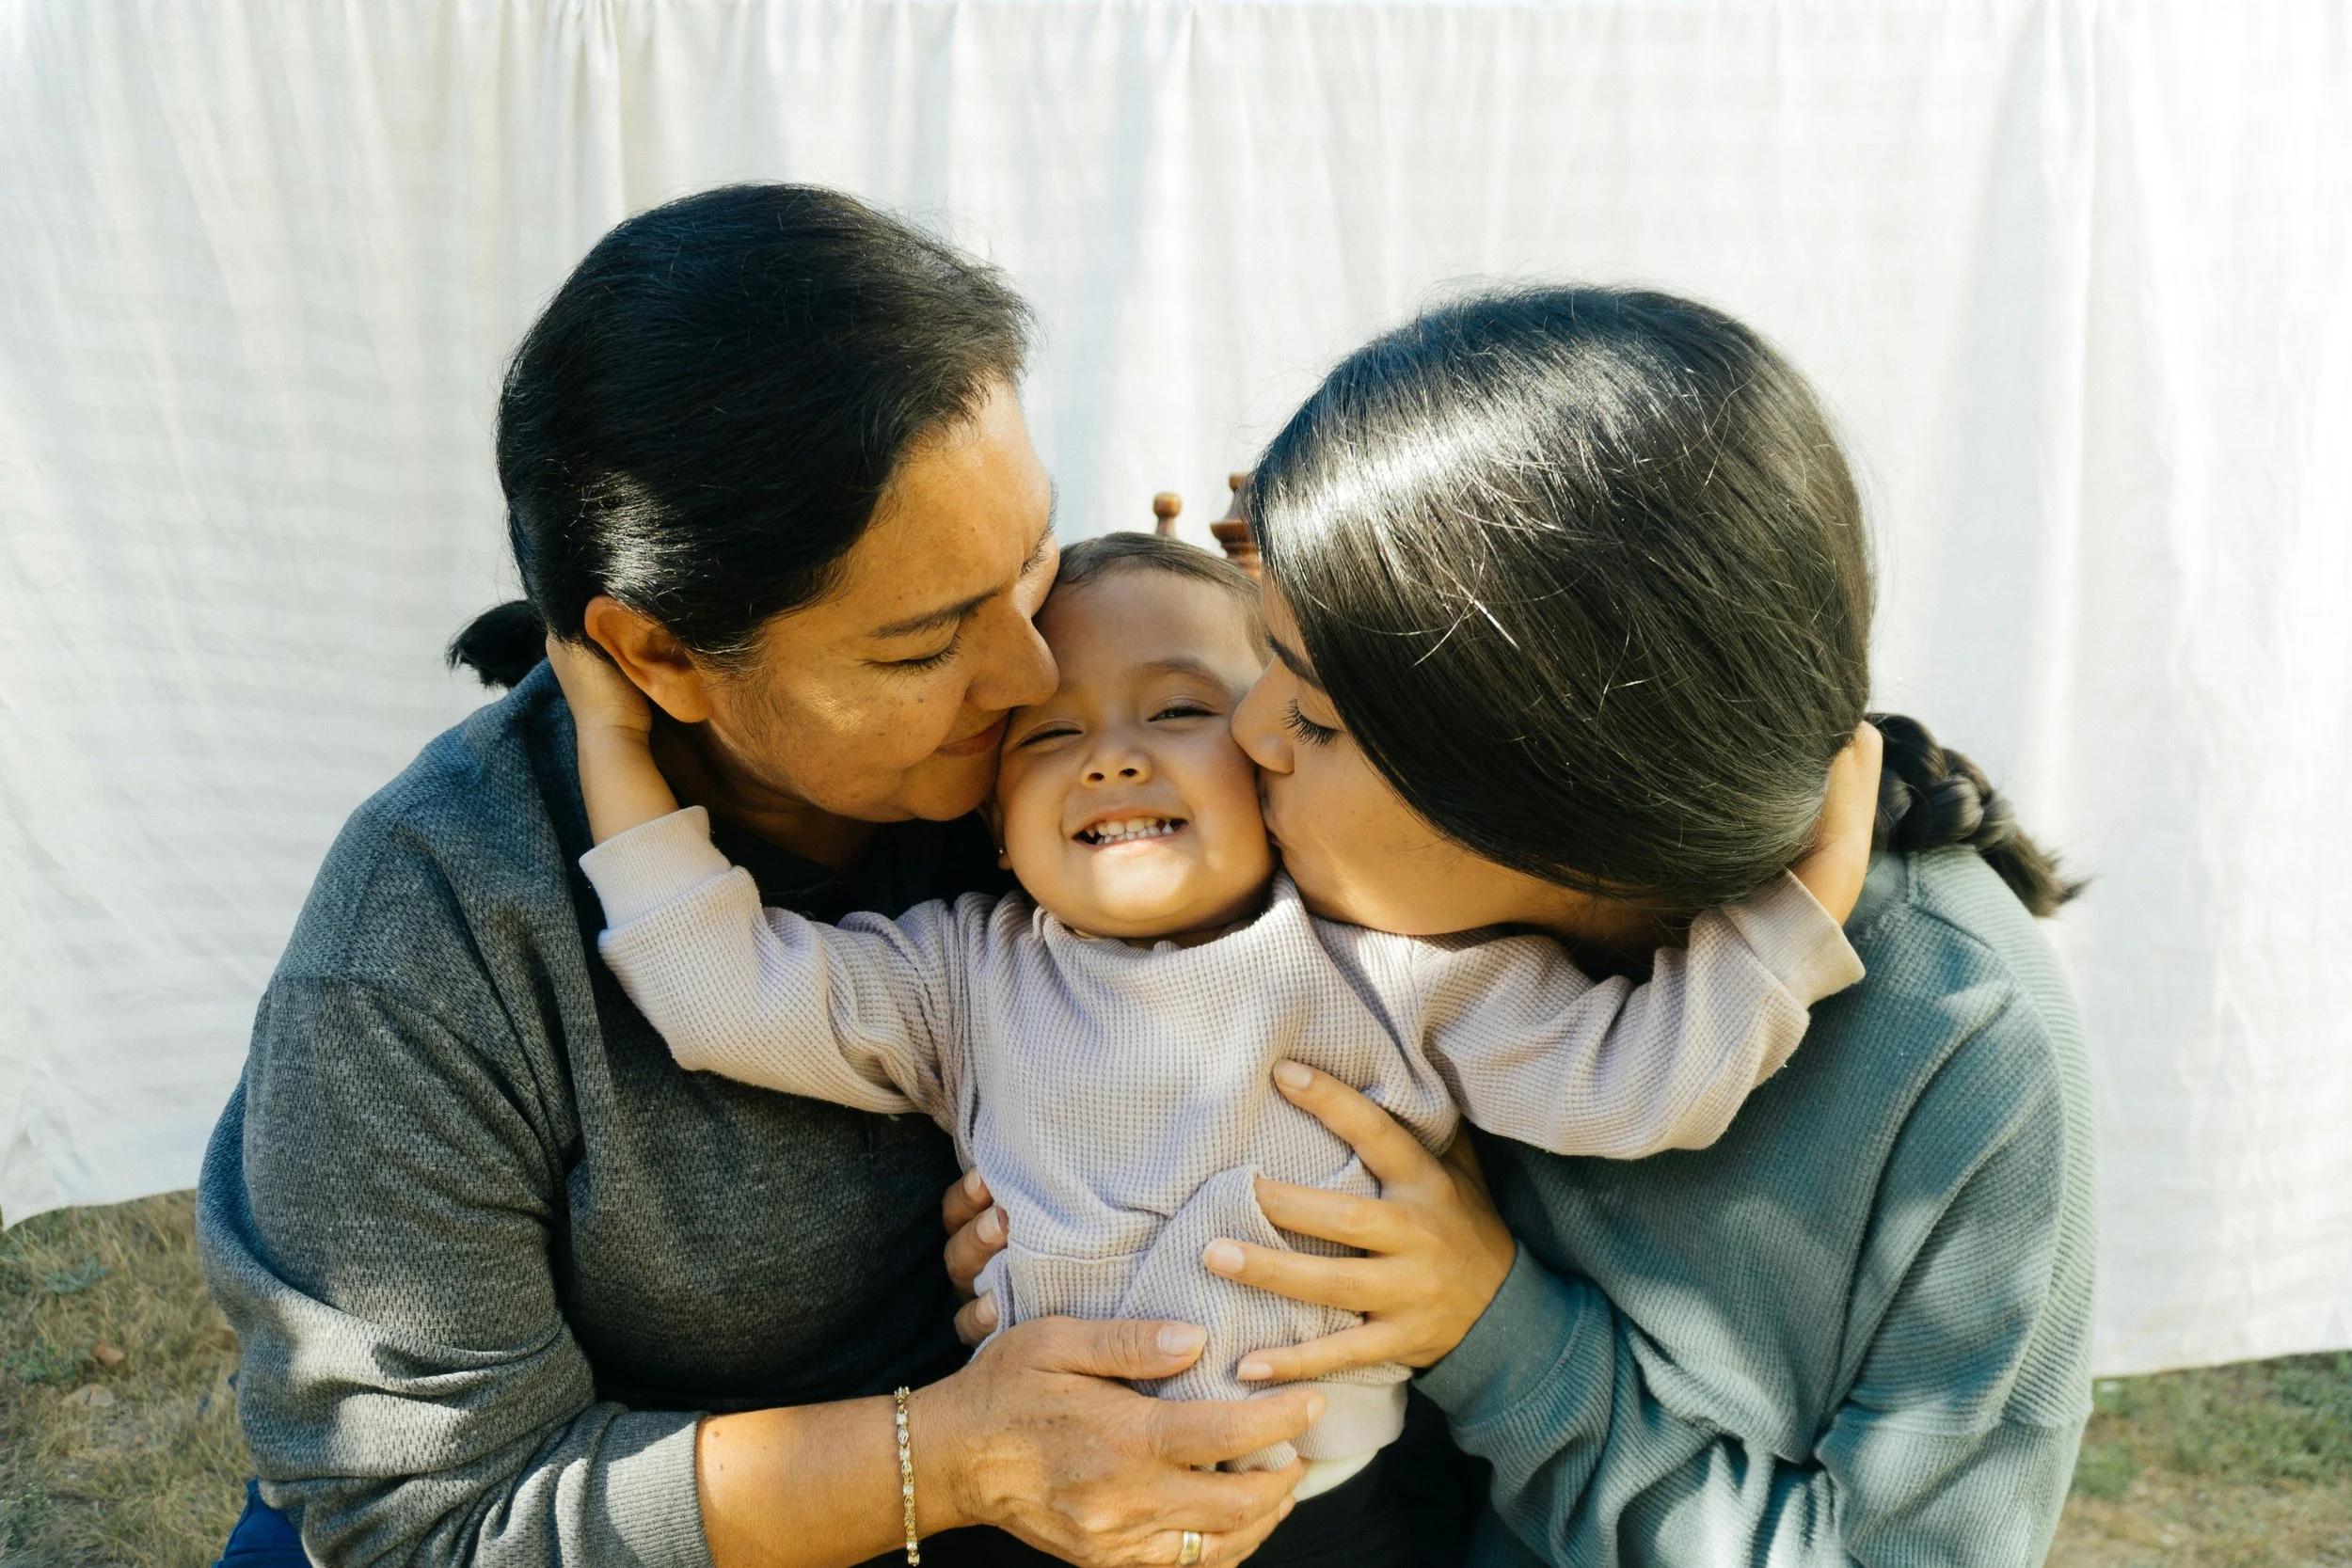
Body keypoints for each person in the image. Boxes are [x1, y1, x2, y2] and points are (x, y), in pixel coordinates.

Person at [198, 184, 1331, 1568]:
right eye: (924, 647)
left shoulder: (1096, 745)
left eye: (1028, 557)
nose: (1032, 674)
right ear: (660, 656)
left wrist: (1462, 1271)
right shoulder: (425, 949)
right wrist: (947, 1452)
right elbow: (427, 1519)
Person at [947, 287, 2096, 1565]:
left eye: (1314, 715)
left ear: (1547, 780)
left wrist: (1492, 1326)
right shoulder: (1315, 906)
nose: (1251, 735)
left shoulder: (1955, 1044)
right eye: (1265, 659)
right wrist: (1085, 1232)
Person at [543, 531, 1881, 1565]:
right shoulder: (963, 975)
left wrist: (1804, 897)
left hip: (1323, 1520)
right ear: (992, 818)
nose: (1111, 758)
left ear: (1276, 745)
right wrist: (610, 736)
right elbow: (720, 990)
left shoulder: (1395, 966)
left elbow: (1640, 1083)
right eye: (1051, 733)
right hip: (1029, 1514)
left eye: (1178, 710)